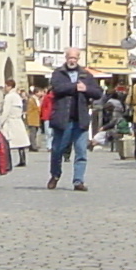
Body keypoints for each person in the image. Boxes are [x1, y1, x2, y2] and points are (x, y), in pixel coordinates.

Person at [47, 49, 103, 192]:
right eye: (70, 58)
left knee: (81, 152)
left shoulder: (86, 74)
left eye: (75, 58)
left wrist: (86, 89)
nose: (72, 60)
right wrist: (74, 86)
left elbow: (98, 93)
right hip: (63, 119)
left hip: (80, 119)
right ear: (66, 58)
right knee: (57, 150)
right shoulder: (58, 73)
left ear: (78, 58)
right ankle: (55, 175)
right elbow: (57, 88)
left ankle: (78, 181)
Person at [0, 77, 29, 169]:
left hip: (11, 121)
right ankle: (22, 159)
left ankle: (7, 162)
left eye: (6, 86)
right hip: (18, 120)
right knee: (21, 142)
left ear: (9, 86)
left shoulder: (9, 97)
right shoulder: (17, 96)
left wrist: (0, 122)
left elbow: (6, 111)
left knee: (7, 142)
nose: (4, 88)